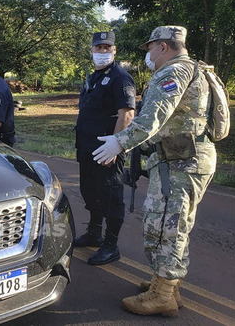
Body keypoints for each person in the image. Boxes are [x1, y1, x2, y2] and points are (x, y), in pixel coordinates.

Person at [92, 26, 216, 316]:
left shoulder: (173, 72)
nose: (148, 55)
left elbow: (152, 119)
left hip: (181, 162)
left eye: (149, 49)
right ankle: (168, 284)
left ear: (162, 47)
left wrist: (119, 142)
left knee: (166, 227)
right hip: (185, 158)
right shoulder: (194, 68)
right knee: (175, 224)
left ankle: (162, 294)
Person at [73, 31, 136, 266]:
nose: (102, 52)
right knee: (89, 191)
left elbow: (127, 115)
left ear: (114, 50)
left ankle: (111, 244)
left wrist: (116, 146)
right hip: (87, 147)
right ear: (91, 50)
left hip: (107, 149)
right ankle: (94, 233)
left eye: (106, 48)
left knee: (110, 195)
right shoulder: (94, 76)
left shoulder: (121, 78)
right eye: (98, 48)